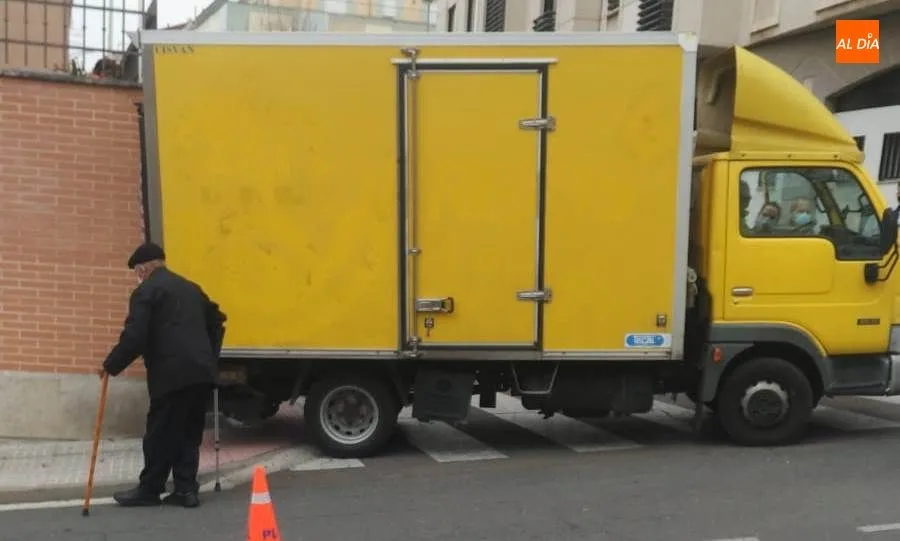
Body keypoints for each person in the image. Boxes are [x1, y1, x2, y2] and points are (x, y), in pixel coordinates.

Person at [100, 242, 227, 508]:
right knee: (188, 433)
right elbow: (217, 321)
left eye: (137, 270)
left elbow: (135, 336)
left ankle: (149, 489)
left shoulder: (146, 292)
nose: (138, 275)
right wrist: (209, 357)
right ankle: (185, 490)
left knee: (160, 433)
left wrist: (111, 365)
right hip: (201, 373)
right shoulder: (192, 289)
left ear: (144, 267)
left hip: (171, 376)